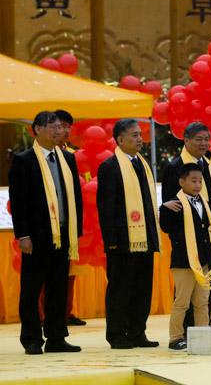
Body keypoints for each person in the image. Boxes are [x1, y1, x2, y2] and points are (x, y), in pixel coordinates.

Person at [9, 111, 83, 354]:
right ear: (37, 130)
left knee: (58, 287)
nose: (58, 131)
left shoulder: (67, 158)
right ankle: (31, 338)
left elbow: (76, 198)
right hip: (37, 235)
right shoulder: (25, 160)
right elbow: (18, 201)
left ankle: (56, 337)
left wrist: (76, 232)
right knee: (32, 288)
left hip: (63, 233)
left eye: (60, 127)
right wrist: (23, 235)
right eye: (52, 126)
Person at [159, 163, 211, 350]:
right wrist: (164, 208)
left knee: (201, 302)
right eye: (193, 181)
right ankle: (175, 338)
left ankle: (202, 334)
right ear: (181, 182)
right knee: (182, 302)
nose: (198, 185)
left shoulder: (204, 202)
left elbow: (203, 226)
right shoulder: (175, 203)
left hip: (204, 260)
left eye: (200, 181)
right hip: (184, 261)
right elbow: (166, 227)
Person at [96, 118, 160, 349]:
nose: (140, 139)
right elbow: (106, 206)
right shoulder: (110, 166)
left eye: (140, 134)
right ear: (120, 140)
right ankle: (116, 334)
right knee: (120, 289)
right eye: (134, 135)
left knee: (142, 289)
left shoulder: (143, 164)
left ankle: (137, 332)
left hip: (145, 239)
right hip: (122, 241)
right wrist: (111, 240)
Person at [161, 122, 211, 328]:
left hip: (210, 238)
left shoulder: (210, 165)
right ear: (186, 140)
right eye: (198, 139)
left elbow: (207, 202)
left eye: (207, 139)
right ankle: (184, 332)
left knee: (204, 291)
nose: (204, 143)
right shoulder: (175, 167)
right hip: (187, 240)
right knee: (186, 292)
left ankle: (202, 328)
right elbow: (172, 205)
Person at [53, 109, 88, 327]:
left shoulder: (75, 155)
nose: (65, 131)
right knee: (48, 272)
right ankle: (44, 315)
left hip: (72, 220)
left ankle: (66, 312)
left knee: (70, 269)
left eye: (68, 126)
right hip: (50, 220)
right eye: (60, 126)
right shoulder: (38, 155)